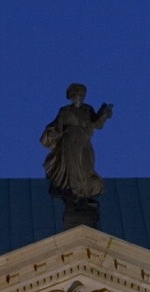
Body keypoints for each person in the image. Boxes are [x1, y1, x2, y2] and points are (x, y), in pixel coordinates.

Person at [40, 83, 114, 213]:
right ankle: (74, 193)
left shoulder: (87, 109)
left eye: (80, 95)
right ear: (71, 97)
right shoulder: (65, 111)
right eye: (74, 95)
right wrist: (52, 133)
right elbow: (58, 128)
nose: (77, 97)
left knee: (86, 165)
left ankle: (85, 192)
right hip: (70, 142)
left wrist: (104, 115)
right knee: (73, 166)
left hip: (84, 142)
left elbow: (97, 124)